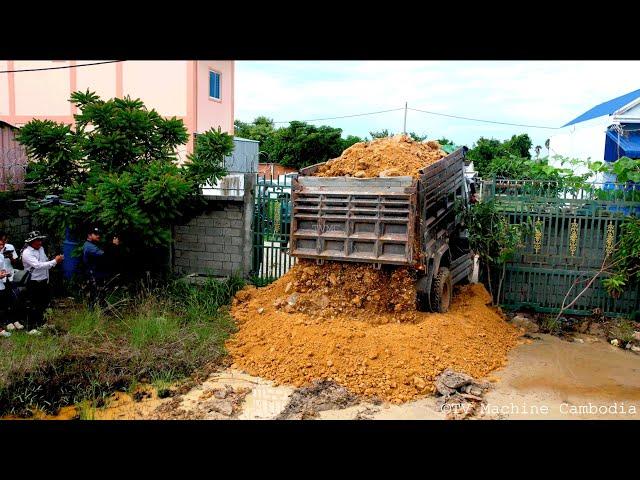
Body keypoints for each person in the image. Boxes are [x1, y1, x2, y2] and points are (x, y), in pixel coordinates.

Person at [20, 231, 63, 335]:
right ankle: (30, 328)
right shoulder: (27, 253)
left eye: (40, 240)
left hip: (44, 280)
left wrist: (53, 261)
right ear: (32, 242)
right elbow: (38, 265)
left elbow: (45, 262)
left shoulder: (41, 249)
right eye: (37, 240)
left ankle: (40, 323)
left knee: (43, 304)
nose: (40, 242)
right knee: (33, 304)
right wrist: (54, 262)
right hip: (33, 281)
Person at [82, 227, 120, 309]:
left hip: (96, 273)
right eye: (95, 234)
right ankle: (93, 314)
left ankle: (100, 312)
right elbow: (105, 255)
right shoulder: (90, 247)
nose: (98, 236)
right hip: (92, 274)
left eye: (98, 234)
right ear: (89, 235)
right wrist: (114, 245)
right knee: (95, 295)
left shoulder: (93, 245)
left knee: (99, 294)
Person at [0, 237, 24, 334]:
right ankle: (7, 321)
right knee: (4, 302)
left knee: (13, 299)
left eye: (3, 243)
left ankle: (14, 320)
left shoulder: (9, 248)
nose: (2, 246)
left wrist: (10, 257)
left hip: (8, 277)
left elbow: (16, 262)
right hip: (2, 280)